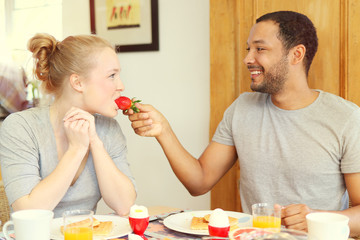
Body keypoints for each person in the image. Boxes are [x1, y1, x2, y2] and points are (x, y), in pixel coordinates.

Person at [126, 11, 360, 236]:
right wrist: (163, 131)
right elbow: (199, 182)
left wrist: (316, 219)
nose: (248, 59)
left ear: (296, 55)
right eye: (249, 49)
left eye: (260, 49)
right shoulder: (242, 108)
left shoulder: (345, 118)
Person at [0, 33, 136, 218]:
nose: (121, 86)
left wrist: (95, 142)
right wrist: (77, 149)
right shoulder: (20, 128)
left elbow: (124, 206)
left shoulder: (108, 129)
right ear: (78, 82)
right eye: (112, 75)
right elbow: (29, 213)